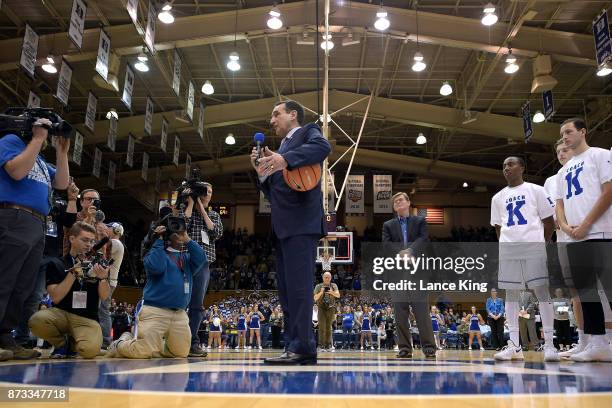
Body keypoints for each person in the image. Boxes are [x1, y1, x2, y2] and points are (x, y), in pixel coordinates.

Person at [250, 100, 331, 365]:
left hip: (301, 224)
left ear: (293, 115)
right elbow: (275, 191)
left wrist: (283, 159)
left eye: (276, 114)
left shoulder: (308, 132)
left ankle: (304, 346)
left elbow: (323, 147)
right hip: (283, 226)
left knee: (299, 289)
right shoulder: (282, 148)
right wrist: (262, 171)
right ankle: (294, 346)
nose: (272, 120)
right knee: (286, 291)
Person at [0, 117, 70, 361]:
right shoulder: (11, 142)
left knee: (23, 286)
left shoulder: (39, 159)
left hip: (37, 223)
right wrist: (38, 138)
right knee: (4, 278)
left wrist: (62, 152)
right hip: (13, 215)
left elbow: (61, 182)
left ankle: (7, 337)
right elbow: (16, 172)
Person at [554, 118, 612, 362]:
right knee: (587, 293)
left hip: (601, 232)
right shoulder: (562, 171)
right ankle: (597, 342)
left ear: (582, 132)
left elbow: (609, 191)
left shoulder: (599, 155)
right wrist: (568, 228)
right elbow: (559, 206)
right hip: (575, 239)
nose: (565, 137)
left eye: (568, 132)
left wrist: (586, 225)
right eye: (562, 133)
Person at [490, 156, 558, 361]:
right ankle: (514, 346)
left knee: (541, 291)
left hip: (533, 247)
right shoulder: (497, 197)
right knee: (511, 295)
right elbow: (498, 228)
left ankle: (549, 345)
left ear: (522, 167)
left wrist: (542, 243)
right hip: (509, 250)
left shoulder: (536, 190)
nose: (506, 168)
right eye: (503, 166)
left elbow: (549, 222)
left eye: (510, 164)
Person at [106, 221, 205, 359]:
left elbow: (202, 258)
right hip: (155, 311)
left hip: (179, 314)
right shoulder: (156, 253)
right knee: (140, 352)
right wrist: (158, 240)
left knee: (180, 353)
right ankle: (121, 343)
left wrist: (187, 238)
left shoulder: (187, 258)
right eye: (175, 233)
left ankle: (153, 346)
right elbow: (156, 267)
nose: (178, 235)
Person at [29, 222, 110, 359]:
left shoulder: (97, 264)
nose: (89, 245)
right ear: (72, 239)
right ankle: (62, 344)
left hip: (87, 318)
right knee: (36, 321)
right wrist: (73, 273)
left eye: (91, 241)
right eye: (84, 240)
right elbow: (56, 298)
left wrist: (103, 279)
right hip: (61, 314)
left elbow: (104, 296)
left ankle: (73, 345)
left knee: (89, 351)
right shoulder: (56, 263)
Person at [15, 180, 79, 348]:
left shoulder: (58, 201)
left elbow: (70, 222)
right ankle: (8, 334)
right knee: (14, 291)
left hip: (48, 255)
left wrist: (72, 200)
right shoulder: (30, 191)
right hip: (24, 248)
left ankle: (21, 340)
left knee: (34, 297)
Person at [382, 192, 436, 359]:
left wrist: (410, 250)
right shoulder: (388, 225)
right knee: (400, 313)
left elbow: (424, 239)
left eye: (400, 200)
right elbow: (386, 244)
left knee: (421, 311)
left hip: (417, 271)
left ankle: (429, 348)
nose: (397, 203)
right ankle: (404, 348)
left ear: (408, 203)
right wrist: (400, 253)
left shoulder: (419, 221)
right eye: (395, 202)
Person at [181, 183, 223, 357]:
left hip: (203, 264)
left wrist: (202, 209)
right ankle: (176, 340)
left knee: (197, 304)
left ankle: (193, 342)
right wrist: (191, 204)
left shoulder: (213, 214)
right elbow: (182, 226)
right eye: (205, 191)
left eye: (211, 191)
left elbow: (216, 233)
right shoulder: (185, 209)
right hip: (184, 261)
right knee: (181, 301)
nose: (208, 194)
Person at [98, 222, 124, 348]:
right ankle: (104, 339)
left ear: (116, 230)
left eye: (108, 227)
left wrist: (100, 232)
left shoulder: (116, 243)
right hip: (110, 280)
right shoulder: (117, 244)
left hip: (108, 280)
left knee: (103, 310)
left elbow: (101, 247)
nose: (106, 229)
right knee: (102, 309)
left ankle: (105, 340)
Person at [313, 271, 340, 351]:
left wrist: (331, 292)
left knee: (329, 327)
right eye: (325, 277)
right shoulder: (318, 286)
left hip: (331, 308)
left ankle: (328, 345)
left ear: (331, 278)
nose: (327, 279)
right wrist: (321, 292)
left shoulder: (334, 285)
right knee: (321, 327)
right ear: (323, 278)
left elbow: (338, 295)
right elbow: (315, 298)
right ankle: (321, 346)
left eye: (328, 277)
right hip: (321, 308)